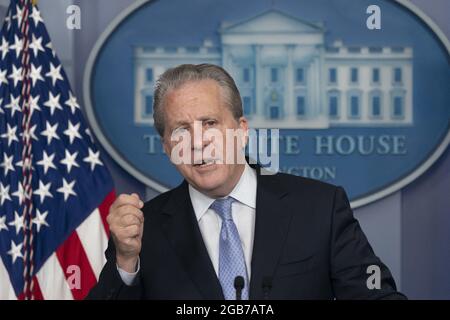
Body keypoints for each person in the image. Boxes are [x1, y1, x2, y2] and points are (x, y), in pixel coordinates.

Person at [87, 64, 405, 300]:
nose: (198, 142)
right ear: (168, 147)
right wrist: (126, 262)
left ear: (241, 131)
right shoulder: (145, 230)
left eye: (209, 123)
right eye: (181, 130)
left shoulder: (319, 208)